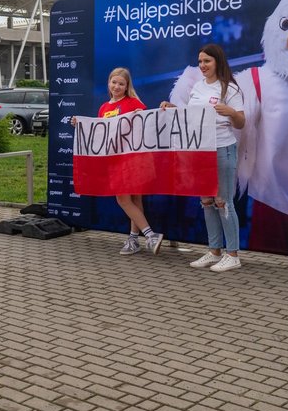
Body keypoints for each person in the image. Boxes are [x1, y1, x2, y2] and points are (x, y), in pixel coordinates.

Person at [161, 43, 245, 272]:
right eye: (200, 61)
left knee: (223, 201)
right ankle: (214, 250)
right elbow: (190, 116)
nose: (203, 65)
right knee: (207, 201)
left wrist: (231, 112)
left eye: (207, 61)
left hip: (222, 147)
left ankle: (233, 254)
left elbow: (241, 122)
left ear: (217, 61)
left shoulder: (231, 89)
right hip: (200, 151)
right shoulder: (197, 86)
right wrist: (172, 108)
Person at [73, 67, 164, 255]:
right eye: (114, 82)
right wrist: (80, 124)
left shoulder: (133, 103)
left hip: (133, 160)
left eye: (121, 84)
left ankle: (150, 235)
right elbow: (100, 133)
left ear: (127, 86)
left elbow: (146, 125)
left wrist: (142, 115)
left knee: (124, 198)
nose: (117, 86)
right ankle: (133, 240)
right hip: (115, 161)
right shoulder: (104, 108)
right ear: (108, 83)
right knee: (133, 199)